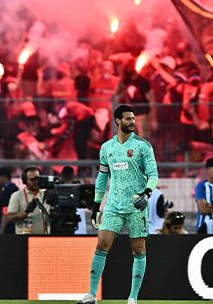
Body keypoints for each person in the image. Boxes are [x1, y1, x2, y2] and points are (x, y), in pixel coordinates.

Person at [77, 104, 159, 304]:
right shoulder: (107, 148)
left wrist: (147, 194)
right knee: (101, 245)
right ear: (118, 121)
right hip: (113, 204)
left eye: (133, 118)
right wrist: (96, 205)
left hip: (136, 205)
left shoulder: (143, 146)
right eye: (128, 118)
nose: (132, 122)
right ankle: (91, 295)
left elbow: (153, 175)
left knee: (138, 249)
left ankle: (133, 297)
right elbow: (102, 177)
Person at [3, 166, 48, 235]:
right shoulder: (17, 196)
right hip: (24, 237)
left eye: (37, 179)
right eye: (32, 180)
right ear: (25, 181)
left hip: (44, 237)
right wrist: (22, 214)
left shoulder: (47, 194)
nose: (36, 182)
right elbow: (10, 217)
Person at [0, 167, 18, 235]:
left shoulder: (8, 191)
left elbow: (5, 212)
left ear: (3, 177)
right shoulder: (11, 189)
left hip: (8, 230)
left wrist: (1, 232)